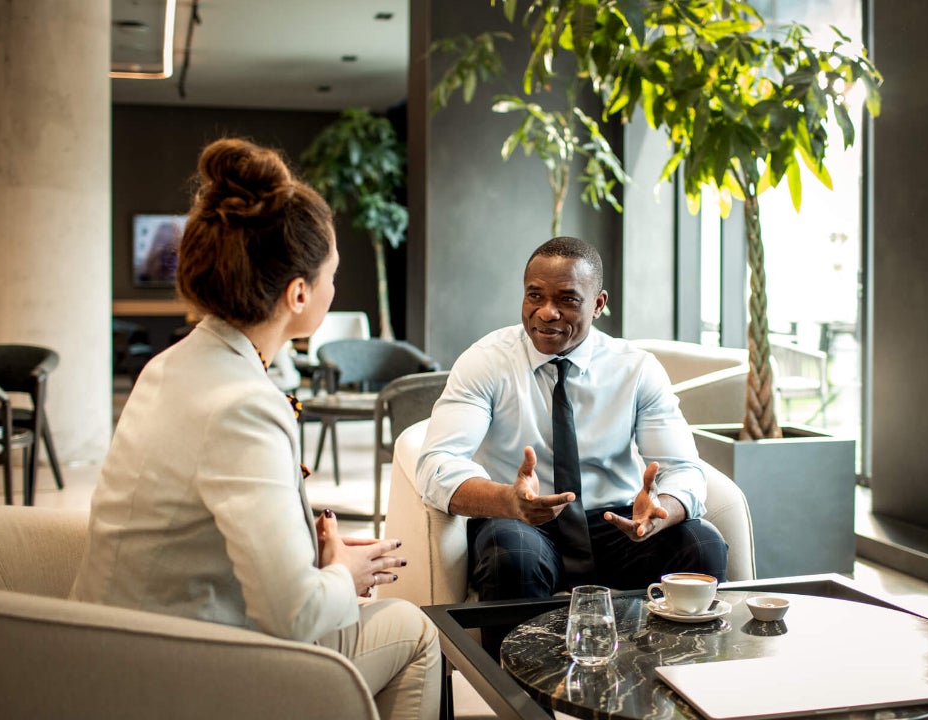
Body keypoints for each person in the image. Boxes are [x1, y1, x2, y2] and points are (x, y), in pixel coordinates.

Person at [71, 137, 439, 720]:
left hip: (110, 643)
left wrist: (315, 554)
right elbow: (293, 617)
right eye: (332, 276)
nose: (334, 288)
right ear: (298, 293)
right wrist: (343, 572)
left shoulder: (171, 365)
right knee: (415, 629)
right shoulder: (244, 404)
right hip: (173, 672)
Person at [417, 236, 729, 608]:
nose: (547, 312)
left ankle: (678, 666)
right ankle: (512, 668)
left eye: (567, 299)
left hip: (619, 523)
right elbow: (436, 465)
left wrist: (662, 511)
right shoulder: (485, 361)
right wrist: (507, 500)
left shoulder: (636, 369)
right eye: (535, 296)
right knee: (512, 554)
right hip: (521, 520)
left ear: (598, 305)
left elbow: (684, 469)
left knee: (703, 544)